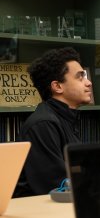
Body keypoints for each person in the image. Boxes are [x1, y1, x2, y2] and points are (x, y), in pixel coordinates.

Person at [14, 47, 93, 197]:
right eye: (80, 77)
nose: (88, 83)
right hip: (41, 215)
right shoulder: (43, 124)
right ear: (57, 86)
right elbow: (58, 187)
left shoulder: (65, 118)